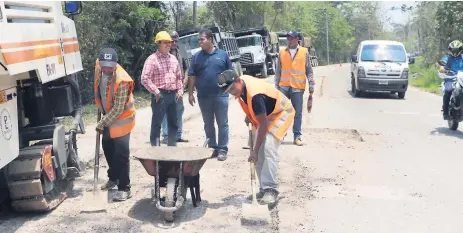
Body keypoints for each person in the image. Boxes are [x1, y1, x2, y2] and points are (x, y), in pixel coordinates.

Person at [217, 69, 295, 204]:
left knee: (268, 149)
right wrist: (250, 115)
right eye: (228, 91)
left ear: (238, 80)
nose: (231, 92)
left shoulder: (255, 95)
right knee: (256, 152)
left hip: (280, 112)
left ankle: (271, 190)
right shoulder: (242, 87)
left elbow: (263, 125)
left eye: (232, 88)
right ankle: (263, 189)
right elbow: (256, 110)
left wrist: (255, 150)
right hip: (265, 114)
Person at [94, 47, 136, 201]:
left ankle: (125, 188)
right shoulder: (98, 68)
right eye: (104, 65)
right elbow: (98, 88)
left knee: (121, 153)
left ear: (115, 65)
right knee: (107, 146)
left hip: (123, 119)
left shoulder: (122, 80)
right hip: (108, 116)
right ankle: (114, 178)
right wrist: (100, 108)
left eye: (110, 66)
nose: (106, 69)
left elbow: (118, 109)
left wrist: (102, 123)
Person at [187, 28, 233, 161]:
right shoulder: (196, 57)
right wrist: (190, 94)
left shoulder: (222, 55)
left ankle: (222, 149)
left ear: (210, 40)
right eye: (199, 40)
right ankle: (212, 148)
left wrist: (232, 90)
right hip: (203, 96)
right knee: (208, 123)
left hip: (221, 95)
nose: (200, 42)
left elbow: (230, 74)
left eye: (202, 39)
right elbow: (192, 75)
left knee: (222, 123)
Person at [141, 31, 183, 146]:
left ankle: (172, 148)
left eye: (169, 42)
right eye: (165, 42)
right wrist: (157, 92)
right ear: (158, 43)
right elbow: (145, 78)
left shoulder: (173, 59)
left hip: (173, 95)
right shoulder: (152, 59)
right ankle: (155, 150)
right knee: (157, 124)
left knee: (173, 123)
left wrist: (180, 91)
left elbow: (179, 77)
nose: (168, 45)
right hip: (160, 95)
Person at [274, 31, 314, 146]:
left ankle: (297, 136)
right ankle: (280, 135)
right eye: (288, 38)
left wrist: (311, 84)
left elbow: (309, 70)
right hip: (284, 87)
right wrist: (276, 86)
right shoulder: (282, 52)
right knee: (282, 113)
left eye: (291, 38)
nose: (289, 40)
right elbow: (278, 71)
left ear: (297, 39)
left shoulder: (304, 52)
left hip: (298, 88)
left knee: (297, 113)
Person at [161, 31, 189, 144]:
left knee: (179, 111)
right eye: (172, 40)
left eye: (176, 40)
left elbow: (186, 68)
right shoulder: (162, 54)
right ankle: (166, 135)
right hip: (166, 88)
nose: (174, 42)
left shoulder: (180, 52)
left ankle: (178, 135)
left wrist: (184, 82)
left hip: (179, 88)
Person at [440, 40, 463, 120]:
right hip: (451, 78)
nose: (455, 52)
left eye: (457, 50)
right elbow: (442, 67)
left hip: (461, 79)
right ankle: (445, 112)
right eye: (453, 50)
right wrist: (443, 70)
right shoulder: (447, 58)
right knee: (448, 90)